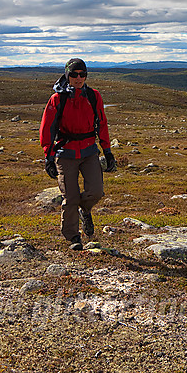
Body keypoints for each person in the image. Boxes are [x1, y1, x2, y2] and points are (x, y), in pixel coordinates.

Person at [40, 58, 116, 249]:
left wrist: (107, 151)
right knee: (70, 197)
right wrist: (48, 156)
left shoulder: (93, 96)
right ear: (67, 75)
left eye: (82, 74)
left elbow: (102, 123)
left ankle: (85, 210)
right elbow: (47, 128)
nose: (78, 78)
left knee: (96, 191)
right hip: (65, 154)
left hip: (89, 151)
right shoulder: (57, 99)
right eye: (74, 74)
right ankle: (73, 237)